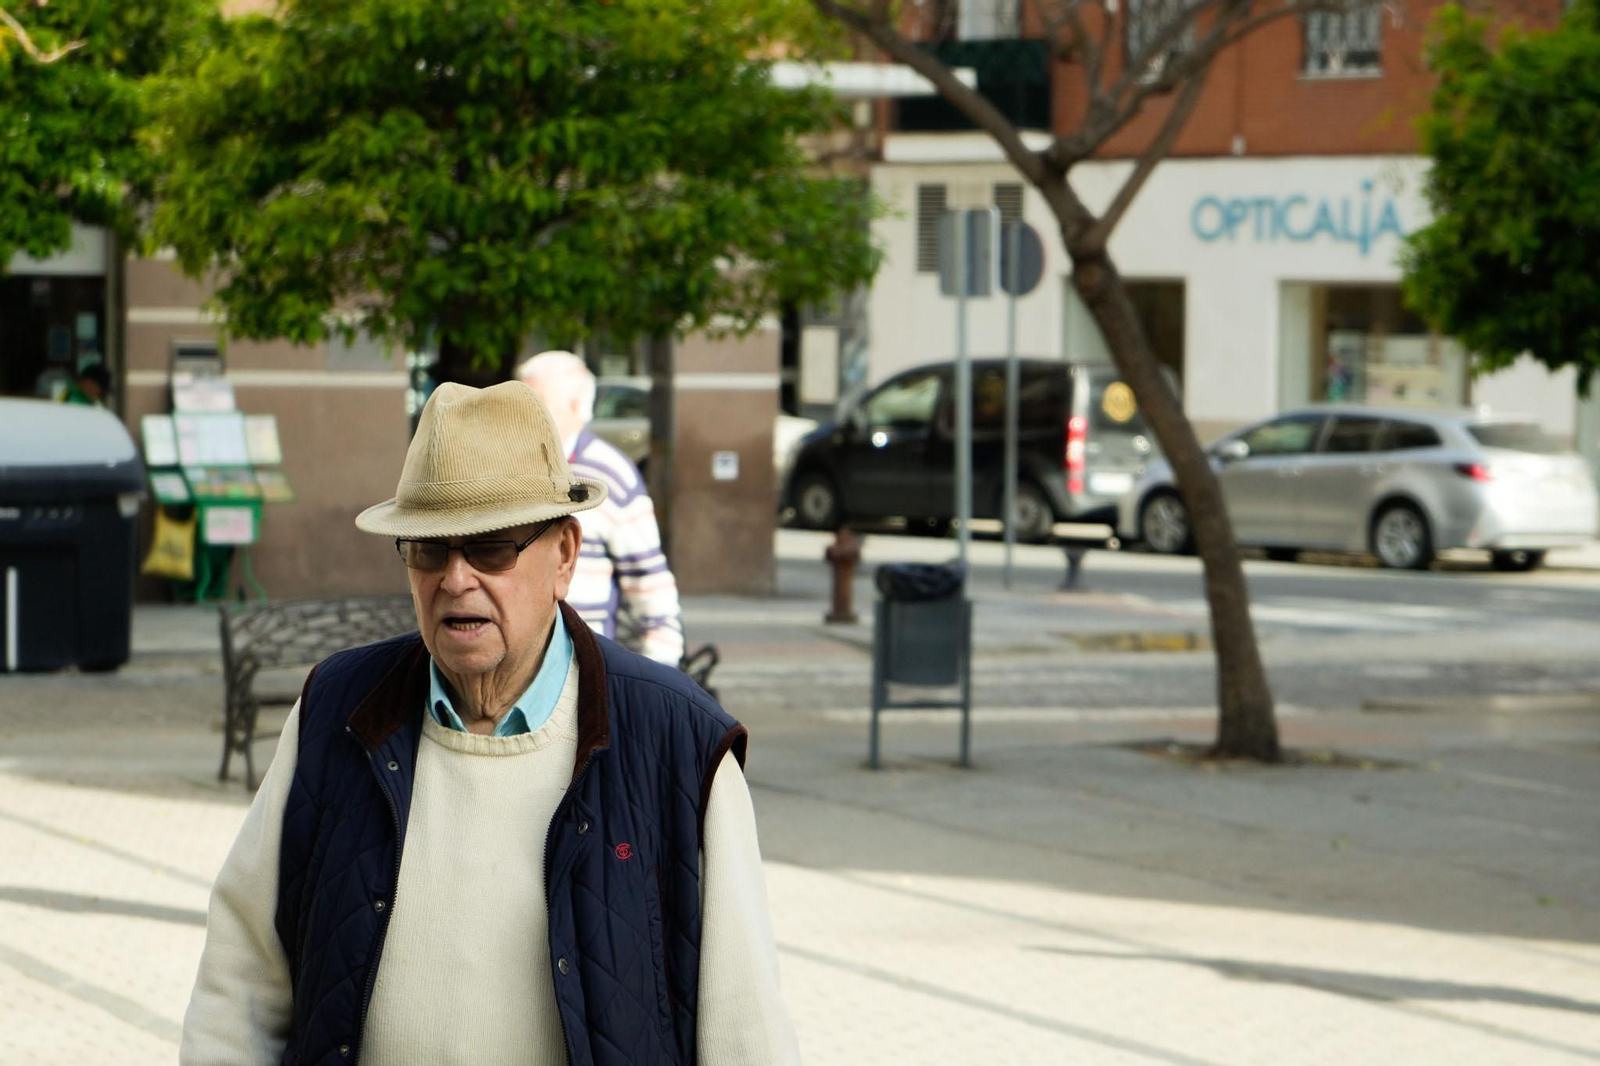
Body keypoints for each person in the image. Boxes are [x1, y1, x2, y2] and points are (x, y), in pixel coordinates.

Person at [181, 381, 798, 1065]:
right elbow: (239, 981)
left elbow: (747, 1034)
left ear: (565, 554)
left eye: (491, 548)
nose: (455, 578)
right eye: (428, 549)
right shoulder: (339, 711)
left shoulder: (678, 743)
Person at [517, 350, 684, 666]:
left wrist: (656, 685)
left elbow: (650, 589)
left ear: (577, 406)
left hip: (584, 675)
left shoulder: (612, 475)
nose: (523, 416)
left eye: (537, 403)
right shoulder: (507, 468)